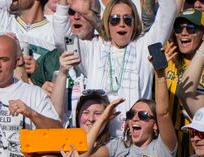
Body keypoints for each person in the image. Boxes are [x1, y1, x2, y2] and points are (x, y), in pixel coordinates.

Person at [50, 0, 177, 134]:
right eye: (115, 20)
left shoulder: (145, 47)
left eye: (128, 19)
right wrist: (63, 3)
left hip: (132, 139)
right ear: (107, 23)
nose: (122, 24)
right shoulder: (91, 50)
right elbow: (62, 40)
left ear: (135, 23)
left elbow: (168, 12)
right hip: (97, 138)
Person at [164, 9, 204, 157]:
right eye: (179, 28)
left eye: (190, 29)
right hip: (170, 139)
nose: (184, 33)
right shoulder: (167, 61)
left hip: (203, 141)